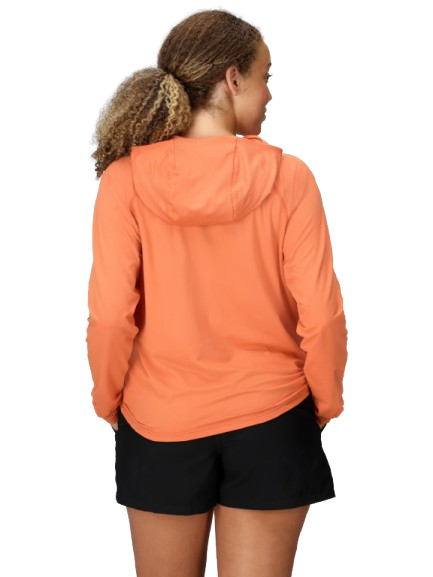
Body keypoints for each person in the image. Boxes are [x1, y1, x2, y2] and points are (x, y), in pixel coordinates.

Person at [85, 8, 348, 577]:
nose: (270, 93)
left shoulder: (124, 181)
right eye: (265, 76)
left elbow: (109, 315)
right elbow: (323, 316)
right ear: (233, 79)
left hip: (159, 419)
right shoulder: (290, 178)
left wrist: (109, 399)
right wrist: (324, 402)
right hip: (273, 417)